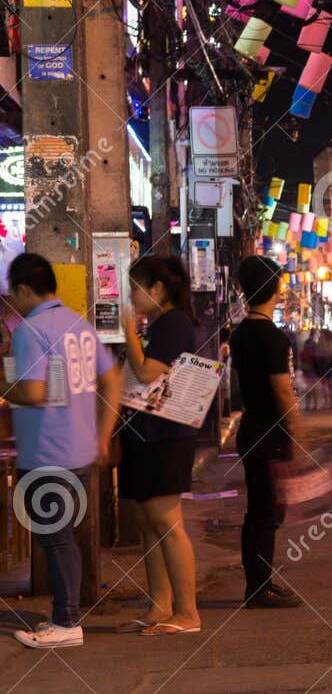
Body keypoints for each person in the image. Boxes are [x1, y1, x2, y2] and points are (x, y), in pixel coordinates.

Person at [3, 254, 121, 648]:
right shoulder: (79, 325)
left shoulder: (30, 330)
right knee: (62, 536)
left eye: (12, 294)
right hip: (80, 449)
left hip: (46, 450)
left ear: (23, 289)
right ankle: (65, 617)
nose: (12, 303)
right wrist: (102, 435)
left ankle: (66, 622)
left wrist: (3, 386)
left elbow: (35, 393)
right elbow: (112, 378)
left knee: (55, 538)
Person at [117, 255, 204, 635]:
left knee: (167, 521)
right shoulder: (158, 324)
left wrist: (128, 332)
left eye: (135, 288)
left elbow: (146, 370)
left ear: (156, 290)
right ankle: (159, 605)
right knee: (147, 519)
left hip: (166, 436)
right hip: (144, 433)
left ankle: (188, 613)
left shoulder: (173, 324)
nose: (130, 296)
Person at [230, 256, 303, 609]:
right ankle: (260, 587)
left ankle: (256, 583)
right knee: (267, 512)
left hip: (250, 430)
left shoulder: (241, 333)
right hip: (270, 434)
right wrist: (298, 431)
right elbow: (283, 390)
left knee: (258, 509)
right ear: (276, 290)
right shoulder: (272, 338)